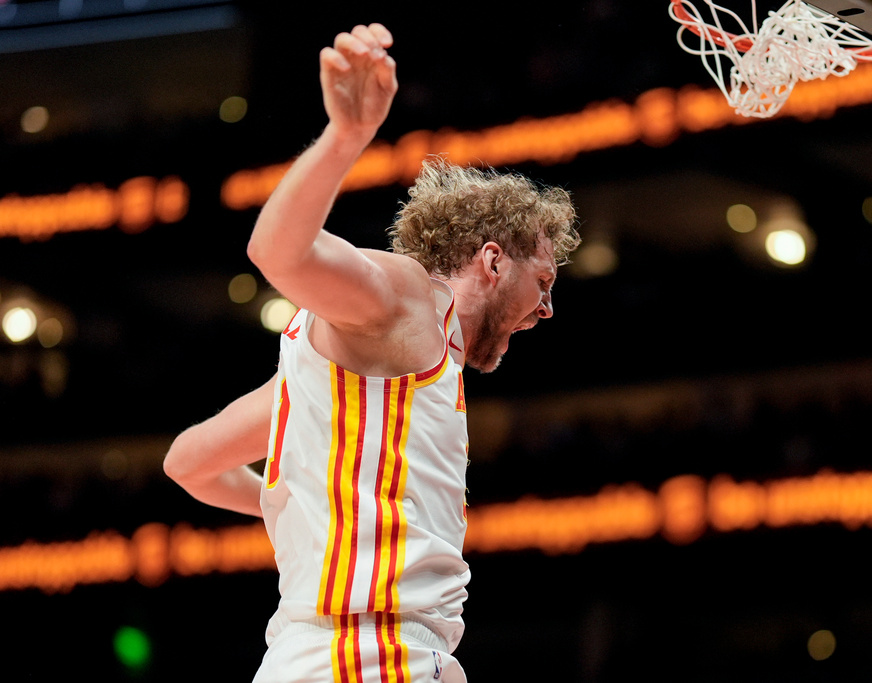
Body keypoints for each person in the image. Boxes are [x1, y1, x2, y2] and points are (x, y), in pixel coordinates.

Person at [163, 22, 580, 683]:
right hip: (371, 657)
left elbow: (188, 462)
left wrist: (312, 502)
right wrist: (346, 137)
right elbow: (277, 252)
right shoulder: (410, 302)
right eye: (544, 282)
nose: (547, 308)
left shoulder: (348, 384)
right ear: (493, 260)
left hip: (317, 656)